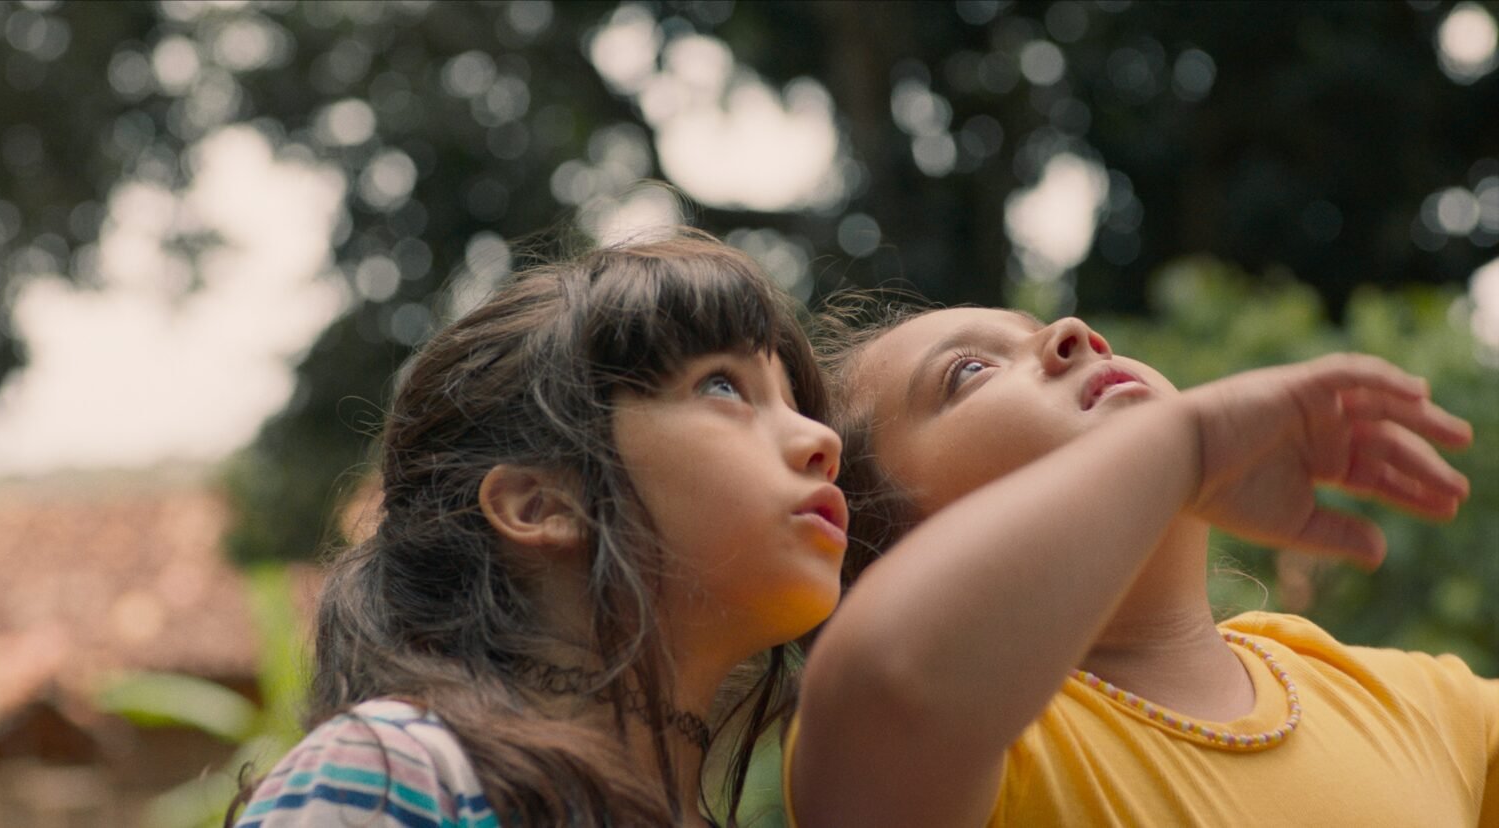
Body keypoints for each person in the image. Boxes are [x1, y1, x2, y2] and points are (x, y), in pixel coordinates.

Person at [786, 304, 1496, 826]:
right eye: (969, 372)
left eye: (1040, 328)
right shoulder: (975, 764)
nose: (1073, 332)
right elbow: (890, 682)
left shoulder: (1416, 702)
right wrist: (1191, 445)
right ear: (887, 554)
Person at [230, 229, 849, 828]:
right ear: (541, 505)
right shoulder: (396, 775)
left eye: (795, 403)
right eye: (723, 385)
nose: (822, 439)